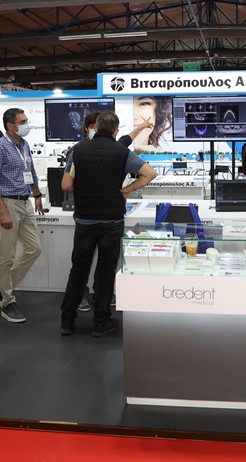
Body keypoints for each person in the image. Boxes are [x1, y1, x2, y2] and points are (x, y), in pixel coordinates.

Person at [60, 112, 157, 338]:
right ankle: (100, 324)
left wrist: (84, 190)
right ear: (115, 131)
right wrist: (128, 189)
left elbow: (66, 185)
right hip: (112, 220)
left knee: (78, 271)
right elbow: (149, 173)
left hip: (84, 219)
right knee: (105, 272)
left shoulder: (77, 151)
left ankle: (67, 321)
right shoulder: (122, 152)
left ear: (95, 128)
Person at [0, 107, 44, 324]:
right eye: (23, 121)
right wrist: (3, 212)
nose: (27, 124)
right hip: (8, 203)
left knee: (34, 248)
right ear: (11, 126)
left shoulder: (24, 144)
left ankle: (2, 288)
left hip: (26, 202)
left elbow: (30, 172)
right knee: (6, 255)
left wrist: (37, 195)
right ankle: (8, 301)